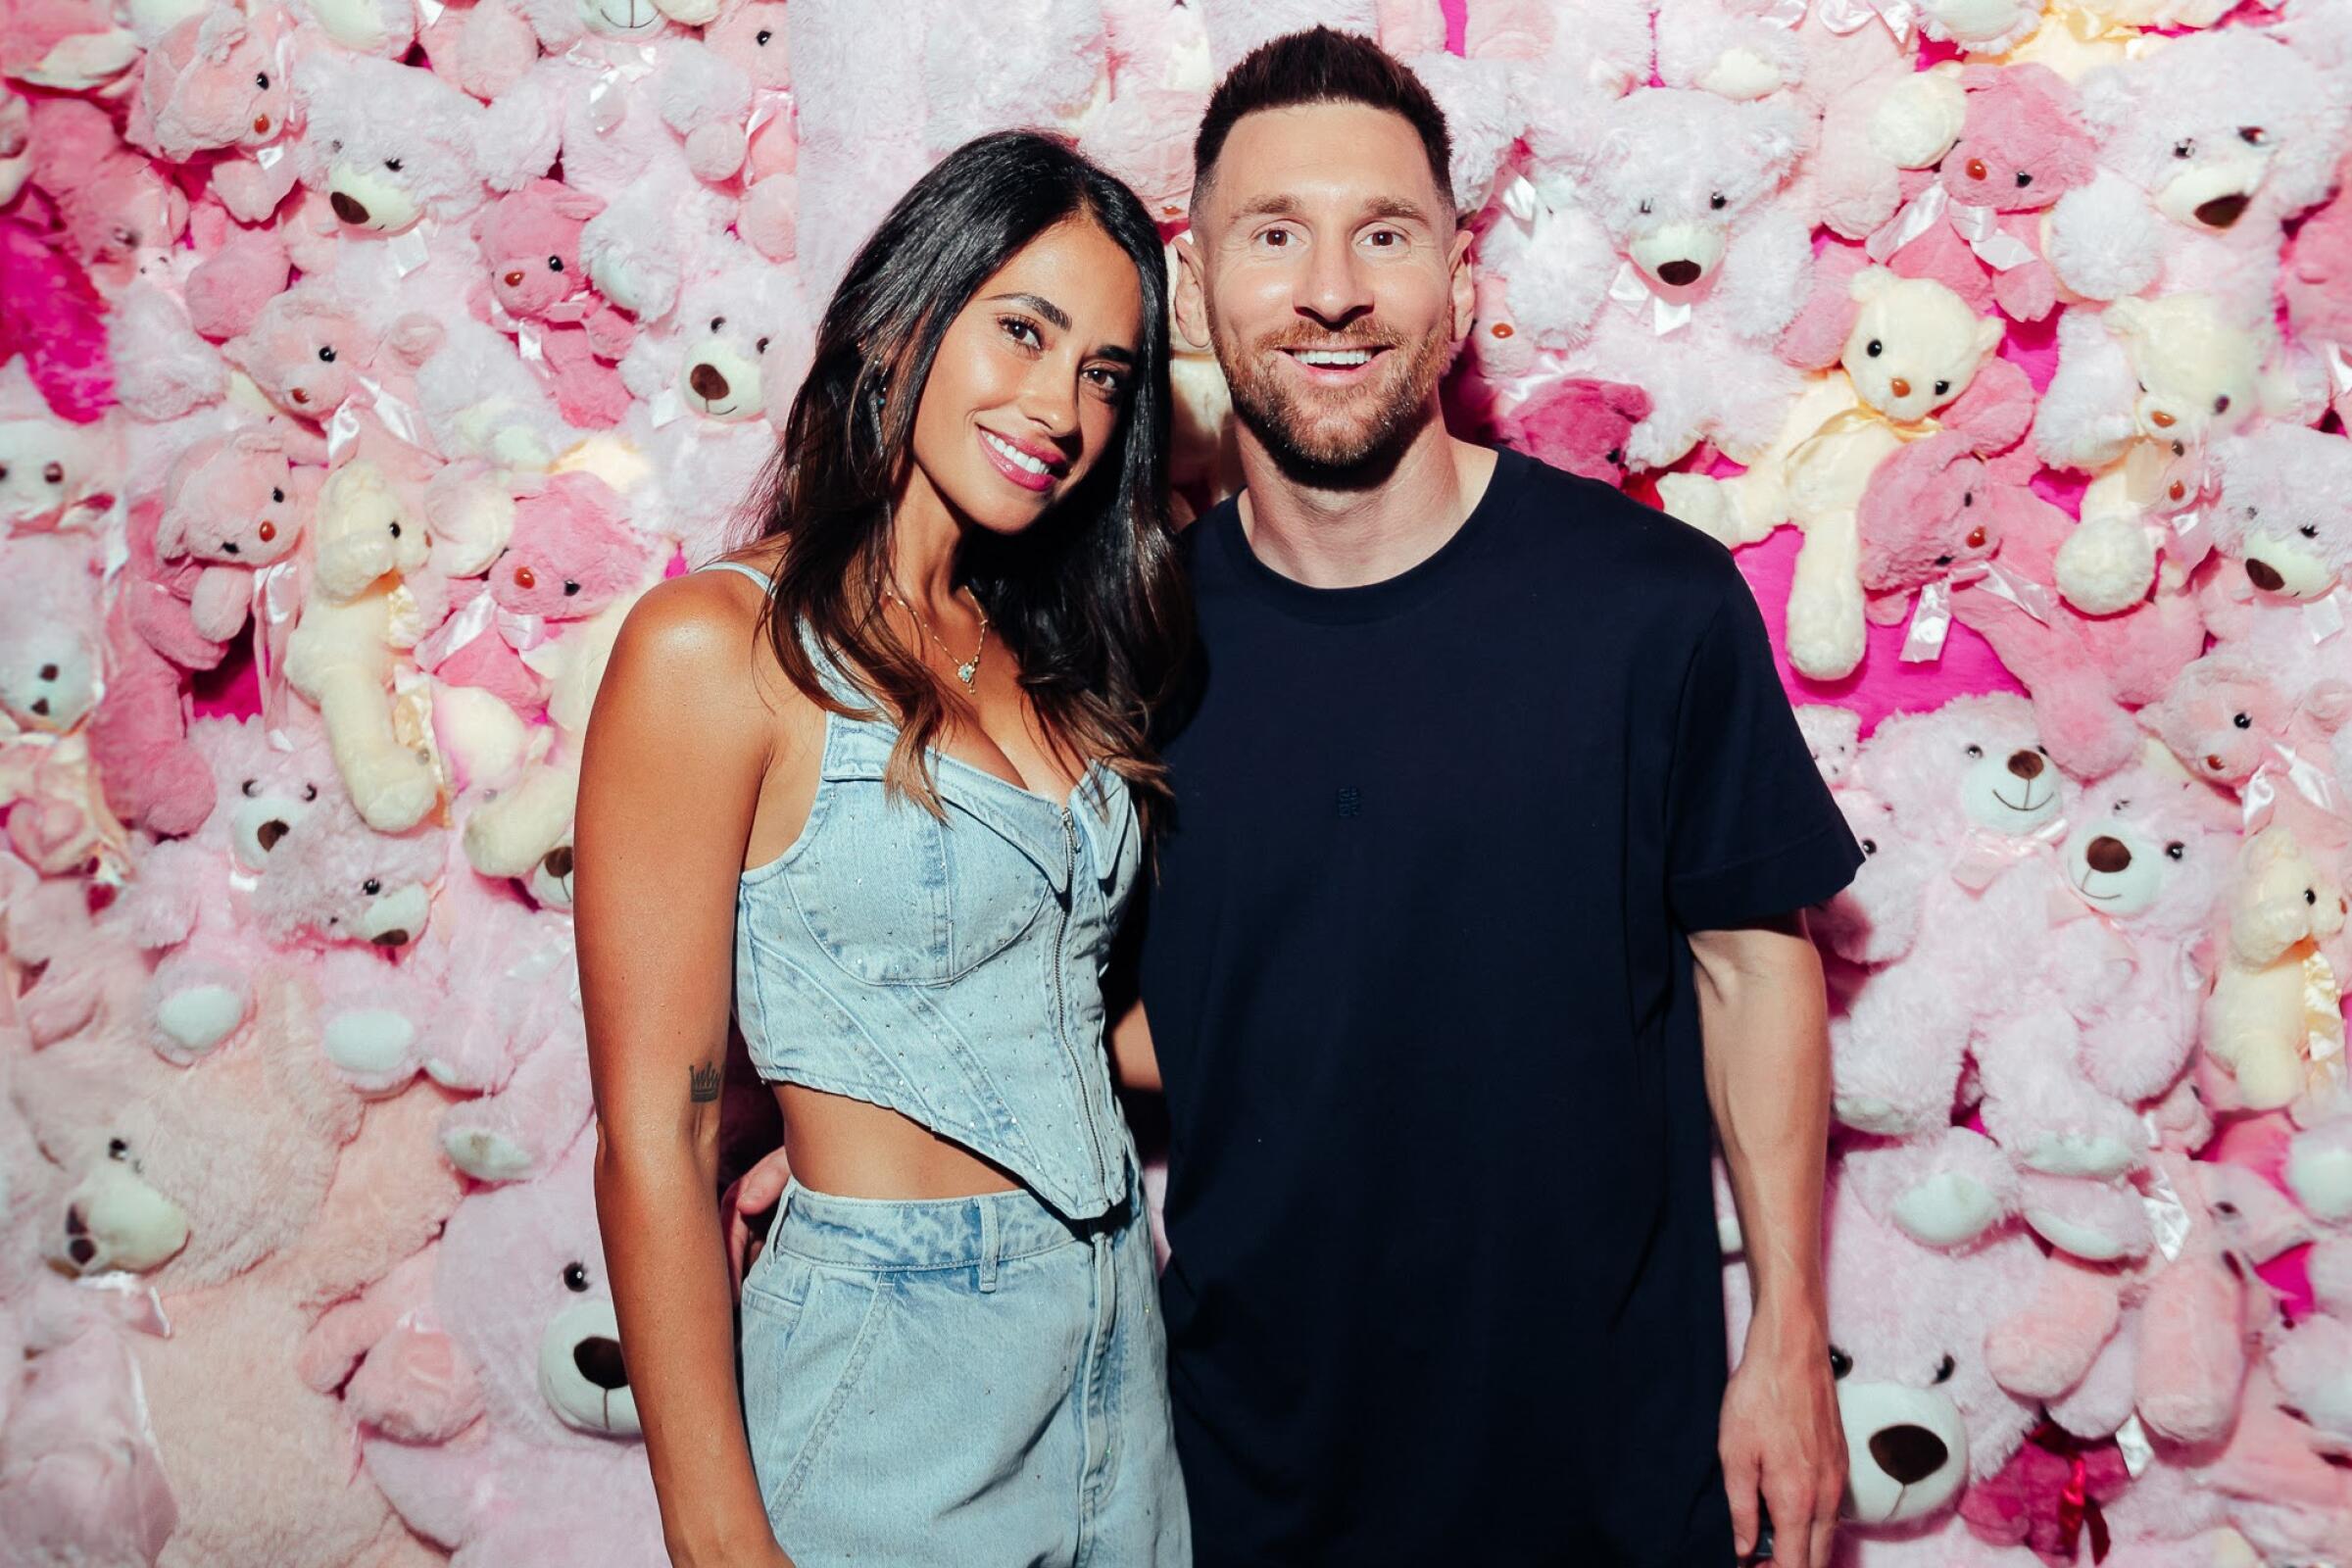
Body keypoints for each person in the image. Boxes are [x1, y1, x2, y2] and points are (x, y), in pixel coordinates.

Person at [730, 27, 1865, 1568]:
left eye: (1383, 234)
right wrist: (889, 1121)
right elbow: (1082, 992)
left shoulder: (1652, 607)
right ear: (1197, 290)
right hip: (1239, 1472)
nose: (1331, 287)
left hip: (1609, 1461)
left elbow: (1752, 961)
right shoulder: (1113, 651)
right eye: (1275, 235)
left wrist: (1789, 1340)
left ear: (1460, 284)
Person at [572, 129, 1193, 1568]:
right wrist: (718, 1537)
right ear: (908, 312)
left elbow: (1048, 1020)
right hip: (889, 1362)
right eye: (1024, 332)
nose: (1065, 406)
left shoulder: (1045, 653)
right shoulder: (712, 647)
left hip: (1114, 1333)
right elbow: (656, 1133)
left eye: (1108, 373)